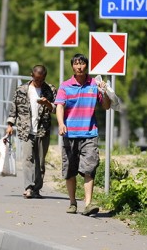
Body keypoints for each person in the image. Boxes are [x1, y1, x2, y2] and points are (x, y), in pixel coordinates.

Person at [55, 54, 111, 216]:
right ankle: (72, 202)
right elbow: (59, 106)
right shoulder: (65, 86)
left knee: (89, 168)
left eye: (82, 64)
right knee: (69, 170)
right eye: (76, 64)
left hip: (89, 133)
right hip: (70, 133)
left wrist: (105, 92)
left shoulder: (95, 84)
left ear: (87, 66)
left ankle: (88, 204)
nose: (79, 67)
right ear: (72, 66)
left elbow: (106, 106)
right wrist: (61, 124)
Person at [6, 65, 57, 199]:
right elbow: (14, 108)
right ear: (32, 75)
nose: (39, 82)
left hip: (43, 130)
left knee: (40, 162)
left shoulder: (50, 90)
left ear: (45, 77)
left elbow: (57, 109)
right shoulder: (22, 90)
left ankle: (37, 189)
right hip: (26, 129)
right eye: (37, 79)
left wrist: (48, 104)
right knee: (27, 159)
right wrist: (10, 124)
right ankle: (28, 187)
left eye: (42, 79)